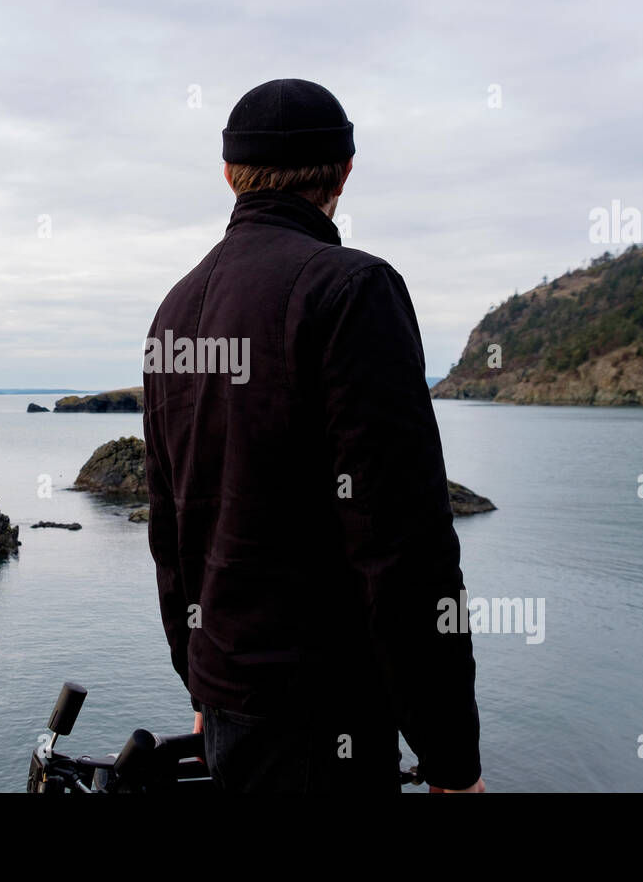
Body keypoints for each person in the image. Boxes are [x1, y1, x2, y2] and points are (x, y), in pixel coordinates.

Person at [142, 78, 484, 793]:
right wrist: (451, 758)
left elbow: (172, 532)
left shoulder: (172, 313)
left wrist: (203, 686)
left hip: (231, 711)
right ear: (345, 173)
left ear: (230, 175)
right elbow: (403, 547)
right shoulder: (352, 291)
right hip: (328, 723)